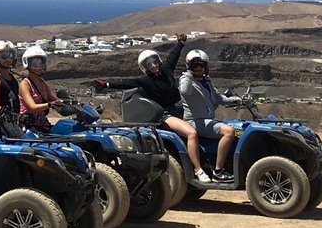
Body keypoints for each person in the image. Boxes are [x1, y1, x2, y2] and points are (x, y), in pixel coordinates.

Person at [93, 34, 212, 184]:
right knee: (192, 133)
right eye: (149, 64)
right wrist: (107, 85)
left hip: (181, 110)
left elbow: (173, 56)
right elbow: (127, 83)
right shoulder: (146, 81)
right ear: (145, 67)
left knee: (205, 127)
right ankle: (198, 170)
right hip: (165, 114)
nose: (154, 65)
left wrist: (180, 42)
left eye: (154, 61)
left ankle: (209, 163)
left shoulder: (167, 70)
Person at [179, 49, 243, 181]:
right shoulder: (186, 80)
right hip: (195, 121)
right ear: (189, 66)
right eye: (195, 65)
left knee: (239, 130)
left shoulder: (207, 82)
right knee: (229, 131)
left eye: (201, 65)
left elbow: (219, 99)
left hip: (207, 120)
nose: (198, 68)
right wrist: (189, 73)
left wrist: (237, 100)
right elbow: (185, 91)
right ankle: (218, 171)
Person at [18, 44, 60, 131]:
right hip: (30, 126)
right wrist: (49, 104)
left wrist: (68, 103)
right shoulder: (25, 84)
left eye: (41, 63)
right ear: (27, 63)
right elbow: (32, 107)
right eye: (34, 64)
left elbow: (53, 98)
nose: (38, 67)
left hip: (42, 123)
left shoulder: (42, 82)